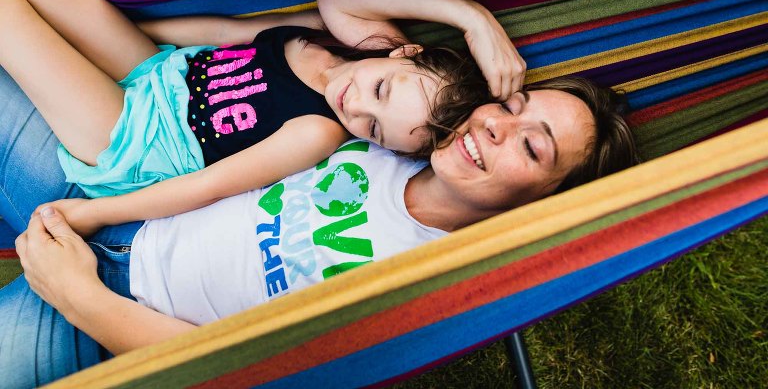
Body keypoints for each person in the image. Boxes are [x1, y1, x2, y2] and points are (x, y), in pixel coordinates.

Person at [0, 60, 638, 387]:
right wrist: (472, 20)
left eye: (533, 148)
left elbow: (250, 378)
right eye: (515, 105)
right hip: (120, 203)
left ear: (545, 205)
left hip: (111, 320)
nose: (497, 124)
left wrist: (79, 296)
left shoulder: (431, 293)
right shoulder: (389, 138)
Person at [0, 0, 523, 227]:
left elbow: (210, 186)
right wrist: (470, 17)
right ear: (401, 52)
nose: (356, 106)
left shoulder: (316, 131)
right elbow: (240, 28)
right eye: (381, 89)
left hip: (139, 141)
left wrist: (94, 215)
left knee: (4, 9)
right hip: (159, 72)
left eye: (374, 129)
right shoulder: (335, 38)